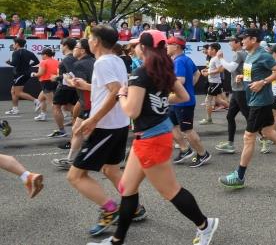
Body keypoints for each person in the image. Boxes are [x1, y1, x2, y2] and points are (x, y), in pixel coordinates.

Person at [87, 30, 218, 245]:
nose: (133, 47)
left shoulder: (140, 73)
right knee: (127, 189)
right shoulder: (164, 69)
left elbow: (131, 111)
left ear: (144, 47)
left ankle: (205, 225)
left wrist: (121, 94)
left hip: (152, 139)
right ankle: (117, 240)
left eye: (136, 44)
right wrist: (161, 102)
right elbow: (183, 96)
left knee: (171, 191)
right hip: (153, 135)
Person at [66, 25, 146, 237]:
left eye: (90, 38)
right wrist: (86, 86)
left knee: (75, 176)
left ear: (97, 42)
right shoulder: (117, 60)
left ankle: (110, 211)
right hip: (118, 124)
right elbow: (116, 89)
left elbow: (113, 93)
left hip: (105, 127)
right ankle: (134, 207)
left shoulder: (102, 63)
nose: (88, 41)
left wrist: (93, 120)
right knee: (110, 170)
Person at [218, 28, 276, 189]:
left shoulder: (263, 54)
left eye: (244, 38)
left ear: (253, 39)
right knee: (268, 132)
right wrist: (244, 76)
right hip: (255, 100)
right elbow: (256, 73)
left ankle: (239, 176)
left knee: (248, 137)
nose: (241, 41)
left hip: (261, 101)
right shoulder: (249, 55)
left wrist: (263, 82)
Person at [166, 36, 211, 168]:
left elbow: (180, 81)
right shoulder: (185, 59)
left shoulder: (179, 61)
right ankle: (185, 149)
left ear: (176, 46)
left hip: (183, 103)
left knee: (187, 130)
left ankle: (203, 154)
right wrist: (190, 88)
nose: (167, 47)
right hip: (176, 101)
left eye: (169, 44)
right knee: (170, 125)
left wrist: (163, 86)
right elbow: (196, 74)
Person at [52, 38, 95, 169]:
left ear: (82, 50)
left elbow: (80, 84)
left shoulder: (79, 64)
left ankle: (114, 158)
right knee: (78, 131)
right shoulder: (95, 61)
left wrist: (67, 79)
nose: (74, 49)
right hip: (88, 101)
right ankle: (71, 159)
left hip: (89, 102)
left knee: (85, 132)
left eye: (76, 47)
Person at [214, 36, 249, 154]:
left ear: (238, 43)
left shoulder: (239, 54)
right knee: (230, 117)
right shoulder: (241, 53)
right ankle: (230, 144)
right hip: (237, 90)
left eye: (231, 42)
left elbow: (230, 68)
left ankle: (266, 138)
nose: (229, 45)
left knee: (250, 118)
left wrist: (221, 59)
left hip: (241, 90)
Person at [48, 38, 79, 138]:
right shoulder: (73, 57)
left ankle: (62, 131)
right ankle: (79, 120)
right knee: (68, 106)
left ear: (65, 45)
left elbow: (72, 74)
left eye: (61, 45)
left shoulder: (68, 58)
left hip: (65, 87)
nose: (60, 47)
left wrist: (57, 77)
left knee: (56, 106)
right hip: (71, 86)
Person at [5, 37, 39, 115]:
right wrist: (29, 66)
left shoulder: (16, 52)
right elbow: (37, 61)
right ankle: (15, 109)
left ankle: (36, 101)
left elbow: (14, 63)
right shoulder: (29, 52)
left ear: (17, 44)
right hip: (24, 74)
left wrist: (8, 62)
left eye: (13, 43)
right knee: (13, 91)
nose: (13, 45)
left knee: (18, 92)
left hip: (20, 75)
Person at [199, 43, 227, 125]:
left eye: (209, 49)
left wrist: (208, 73)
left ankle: (209, 119)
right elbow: (212, 69)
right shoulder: (212, 58)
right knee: (218, 100)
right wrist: (206, 71)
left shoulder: (216, 59)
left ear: (214, 50)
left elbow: (221, 69)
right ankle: (236, 107)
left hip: (215, 83)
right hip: (213, 82)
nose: (208, 50)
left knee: (208, 101)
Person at [32, 48, 59, 122]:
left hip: (46, 83)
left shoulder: (43, 62)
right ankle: (42, 115)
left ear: (45, 55)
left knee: (51, 102)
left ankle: (60, 115)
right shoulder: (56, 61)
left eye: (42, 54)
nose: (41, 56)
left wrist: (34, 74)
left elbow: (41, 73)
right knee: (41, 99)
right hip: (54, 82)